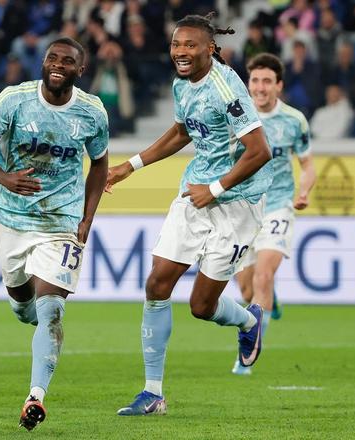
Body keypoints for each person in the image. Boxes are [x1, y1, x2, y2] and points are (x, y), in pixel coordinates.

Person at [106, 13, 273, 416]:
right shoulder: (182, 83)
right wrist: (130, 166)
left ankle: (249, 322)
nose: (181, 52)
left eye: (190, 45)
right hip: (194, 194)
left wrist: (214, 189)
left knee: (201, 306)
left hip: (237, 203)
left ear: (210, 48)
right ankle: (152, 393)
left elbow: (260, 151)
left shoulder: (225, 88)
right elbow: (183, 132)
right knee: (157, 282)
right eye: (176, 44)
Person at [0, 37, 109, 431]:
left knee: (52, 310)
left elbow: (100, 164)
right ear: (43, 63)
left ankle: (35, 397)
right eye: (52, 58)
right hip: (12, 217)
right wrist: (5, 178)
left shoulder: (92, 112)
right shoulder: (14, 100)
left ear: (80, 70)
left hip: (62, 220)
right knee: (22, 306)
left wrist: (87, 218)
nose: (58, 65)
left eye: (67, 61)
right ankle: (32, 320)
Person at [231, 53, 316, 376]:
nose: (260, 87)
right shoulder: (237, 116)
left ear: (278, 85)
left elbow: (307, 165)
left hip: (279, 205)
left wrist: (304, 191)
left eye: (267, 81)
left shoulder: (294, 121)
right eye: (255, 80)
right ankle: (270, 299)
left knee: (263, 276)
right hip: (243, 207)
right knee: (247, 289)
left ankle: (247, 354)